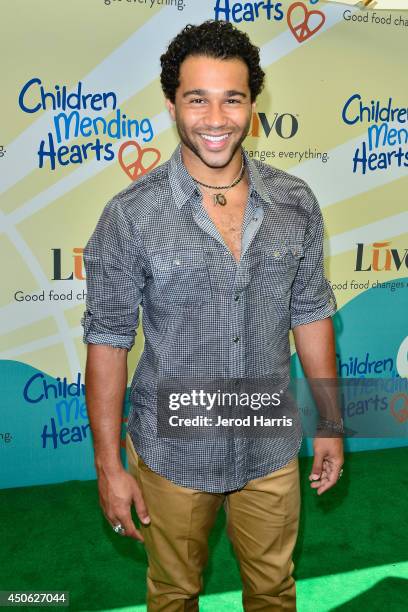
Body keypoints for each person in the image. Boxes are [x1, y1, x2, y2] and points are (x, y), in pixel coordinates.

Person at [82, 19, 344, 612]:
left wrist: (330, 421)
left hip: (268, 443)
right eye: (197, 98)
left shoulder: (295, 201)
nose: (216, 118)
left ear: (254, 103)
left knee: (274, 591)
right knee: (174, 593)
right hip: (174, 446)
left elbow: (310, 312)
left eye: (233, 98)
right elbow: (107, 342)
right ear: (172, 102)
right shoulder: (130, 216)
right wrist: (108, 466)